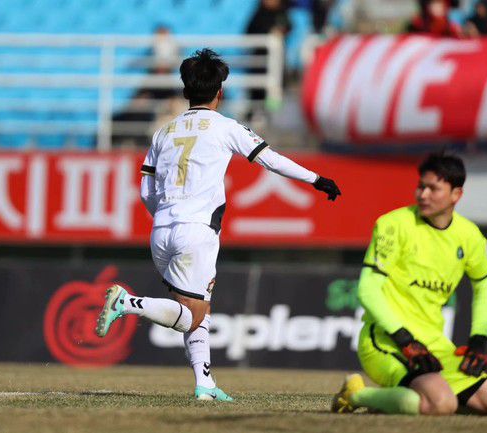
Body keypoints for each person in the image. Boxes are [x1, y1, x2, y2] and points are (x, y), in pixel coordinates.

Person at [96, 48, 341, 401]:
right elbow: (270, 160)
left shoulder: (164, 131)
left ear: (186, 90)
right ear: (220, 91)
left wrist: (165, 217)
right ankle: (127, 302)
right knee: (191, 316)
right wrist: (316, 179)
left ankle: (205, 384)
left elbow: (146, 190)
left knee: (198, 307)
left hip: (161, 229)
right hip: (196, 231)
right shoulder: (225, 127)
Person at [332, 153, 487, 416]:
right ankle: (356, 394)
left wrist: (478, 342)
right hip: (387, 341)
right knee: (441, 404)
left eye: (433, 188)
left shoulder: (470, 237)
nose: (423, 194)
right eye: (420, 186)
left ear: (456, 194)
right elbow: (368, 290)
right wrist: (404, 339)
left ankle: (419, 397)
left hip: (434, 345)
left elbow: (484, 286)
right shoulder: (393, 225)